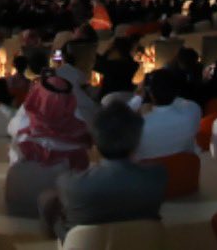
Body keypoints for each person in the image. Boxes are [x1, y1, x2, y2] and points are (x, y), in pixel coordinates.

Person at [38, 101, 167, 240]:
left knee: (47, 199)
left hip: (85, 243)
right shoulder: (157, 176)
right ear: (137, 140)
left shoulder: (69, 182)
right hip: (138, 242)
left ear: (95, 141)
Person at [9, 73, 94, 169]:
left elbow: (12, 130)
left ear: (38, 95)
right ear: (69, 100)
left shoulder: (22, 124)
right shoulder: (79, 132)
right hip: (69, 181)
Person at [130, 67, 202, 161]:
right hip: (184, 169)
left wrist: (137, 99)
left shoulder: (139, 125)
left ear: (150, 93)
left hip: (148, 173)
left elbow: (117, 121)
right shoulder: (193, 110)